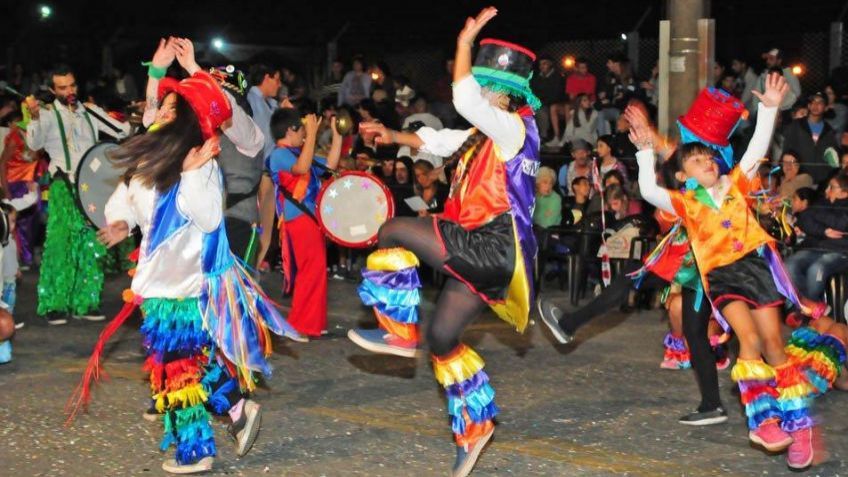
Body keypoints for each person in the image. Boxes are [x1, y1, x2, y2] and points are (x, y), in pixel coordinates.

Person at [81, 46, 302, 473]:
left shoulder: (200, 162)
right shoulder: (150, 156)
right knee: (185, 360)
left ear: (183, 119)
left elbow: (206, 216)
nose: (158, 113)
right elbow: (127, 198)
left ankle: (196, 450)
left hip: (184, 282)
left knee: (176, 366)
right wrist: (121, 223)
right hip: (159, 279)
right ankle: (237, 410)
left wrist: (188, 174)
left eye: (167, 108)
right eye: (161, 106)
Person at [347, 8, 540, 476]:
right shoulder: (483, 135)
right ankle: (475, 428)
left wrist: (465, 42)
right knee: (442, 338)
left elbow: (464, 99)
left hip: (489, 243)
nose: (479, 91)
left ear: (503, 93)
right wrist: (391, 134)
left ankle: (396, 330)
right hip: (487, 253)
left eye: (485, 84)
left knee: (392, 230)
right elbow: (437, 141)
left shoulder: (511, 129)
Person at [628, 73, 827, 469]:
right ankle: (764, 421)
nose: (707, 162)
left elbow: (755, 146)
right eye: (697, 160)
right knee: (747, 339)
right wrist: (645, 153)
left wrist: (769, 107)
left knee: (774, 343)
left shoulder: (737, 182)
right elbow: (649, 191)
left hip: (756, 269)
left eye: (709, 157)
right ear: (684, 175)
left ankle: (799, 425)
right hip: (722, 278)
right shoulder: (686, 203)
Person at [24, 63, 131, 325]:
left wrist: (129, 114)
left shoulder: (90, 112)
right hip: (63, 185)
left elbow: (123, 131)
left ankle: (87, 302)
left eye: (72, 85)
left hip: (92, 188)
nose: (70, 90)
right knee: (60, 245)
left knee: (92, 244)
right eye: (63, 87)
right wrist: (35, 117)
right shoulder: (48, 115)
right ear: (52, 89)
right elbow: (34, 144)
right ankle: (55, 303)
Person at [265, 107, 343, 338]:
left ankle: (311, 323)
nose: (306, 136)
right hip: (298, 218)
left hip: (308, 218)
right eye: (302, 131)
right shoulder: (279, 153)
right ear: (291, 130)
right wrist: (312, 134)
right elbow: (302, 168)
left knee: (315, 270)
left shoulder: (298, 151)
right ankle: (301, 324)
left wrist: (337, 136)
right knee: (311, 270)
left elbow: (329, 165)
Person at [785, 173, 848, 308]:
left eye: (832, 187)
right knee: (789, 264)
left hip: (839, 251)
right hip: (816, 247)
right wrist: (824, 230)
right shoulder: (822, 202)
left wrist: (816, 215)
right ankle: (809, 305)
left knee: (816, 269)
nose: (826, 190)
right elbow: (804, 220)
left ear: (844, 192)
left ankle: (808, 309)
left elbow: (841, 224)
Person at [782, 92, 840, 184]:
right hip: (798, 179)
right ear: (808, 106)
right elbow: (786, 151)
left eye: (820, 102)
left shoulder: (830, 131)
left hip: (822, 182)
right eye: (812, 102)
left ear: (826, 107)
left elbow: (833, 158)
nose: (815, 105)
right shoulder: (796, 125)